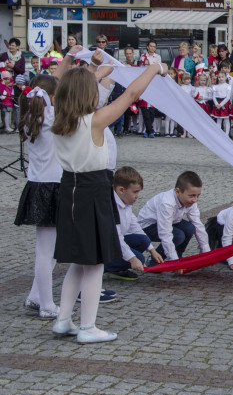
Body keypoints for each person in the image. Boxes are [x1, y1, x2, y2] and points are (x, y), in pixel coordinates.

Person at [49, 58, 163, 343]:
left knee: (78, 261)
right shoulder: (94, 121)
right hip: (93, 192)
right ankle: (88, 326)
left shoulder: (58, 118)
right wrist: (154, 68)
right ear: (90, 94)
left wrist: (99, 72)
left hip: (69, 189)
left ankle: (64, 318)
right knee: (96, 264)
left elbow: (60, 84)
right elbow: (131, 94)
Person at [14, 75, 62, 319]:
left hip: (40, 185)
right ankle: (46, 304)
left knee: (50, 250)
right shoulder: (51, 119)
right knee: (46, 251)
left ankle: (36, 296)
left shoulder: (30, 118)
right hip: (51, 187)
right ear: (52, 98)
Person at [137, 171, 212, 264]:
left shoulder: (191, 201)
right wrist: (174, 262)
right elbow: (165, 233)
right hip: (147, 226)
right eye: (192, 196)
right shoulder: (167, 203)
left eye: (198, 195)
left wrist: (207, 253)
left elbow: (198, 225)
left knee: (190, 228)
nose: (195, 200)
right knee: (178, 235)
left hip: (170, 221)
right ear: (177, 192)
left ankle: (178, 256)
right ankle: (154, 261)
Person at [104, 166, 161, 280]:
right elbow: (116, 238)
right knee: (139, 258)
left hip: (114, 244)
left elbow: (136, 227)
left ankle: (117, 266)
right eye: (135, 192)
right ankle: (104, 266)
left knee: (143, 240)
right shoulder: (111, 206)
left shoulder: (125, 202)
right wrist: (132, 258)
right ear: (121, 190)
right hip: (105, 246)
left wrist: (152, 250)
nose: (137, 196)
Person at [211, 68, 233, 137]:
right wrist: (217, 104)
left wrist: (221, 104)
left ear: (226, 77)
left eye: (222, 77)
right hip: (217, 103)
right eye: (219, 77)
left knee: (226, 119)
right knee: (218, 119)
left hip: (225, 103)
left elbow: (228, 97)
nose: (221, 78)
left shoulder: (228, 86)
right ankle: (219, 134)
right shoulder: (215, 86)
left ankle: (226, 134)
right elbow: (213, 96)